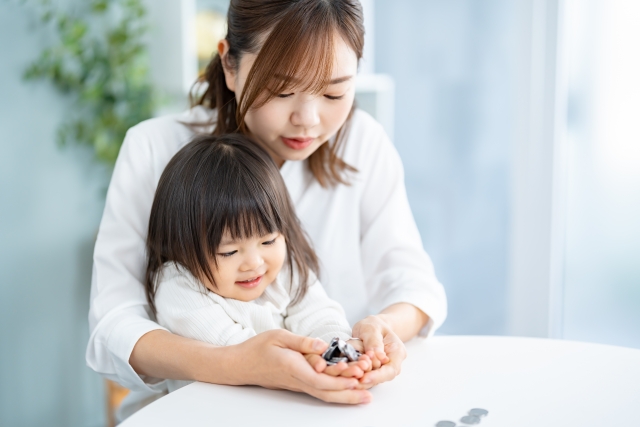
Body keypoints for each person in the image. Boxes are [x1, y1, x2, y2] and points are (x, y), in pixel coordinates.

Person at [86, 0, 447, 418]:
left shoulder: (361, 142)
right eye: (282, 90)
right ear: (231, 65)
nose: (308, 120)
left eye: (334, 91)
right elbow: (115, 325)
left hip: (328, 405)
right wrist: (236, 363)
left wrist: (382, 330)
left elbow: (413, 284)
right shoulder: (154, 149)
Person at [146, 134, 374, 394]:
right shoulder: (179, 286)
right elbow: (244, 354)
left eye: (267, 241)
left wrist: (339, 351)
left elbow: (320, 317)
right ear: (182, 245)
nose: (254, 263)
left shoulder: (286, 268)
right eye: (230, 252)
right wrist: (310, 362)